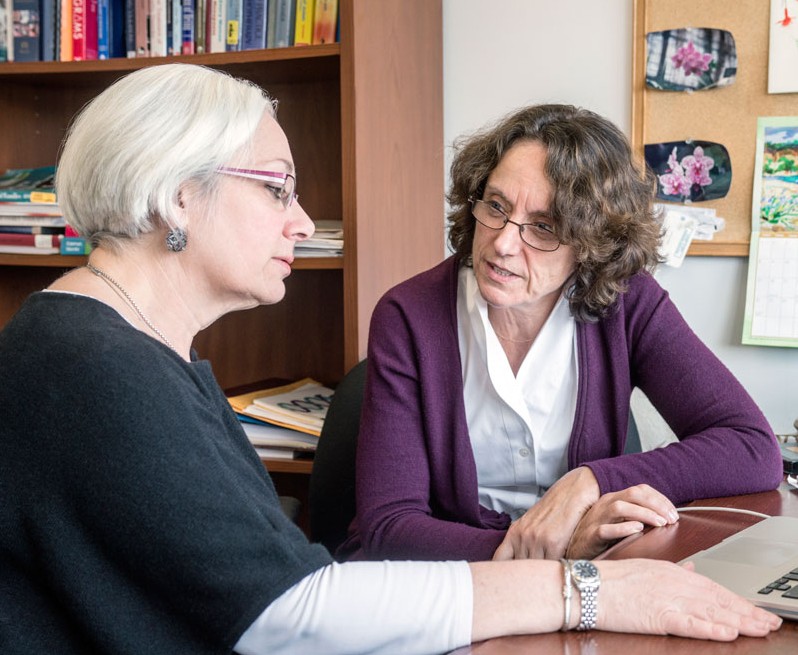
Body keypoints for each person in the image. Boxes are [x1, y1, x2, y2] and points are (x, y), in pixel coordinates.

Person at [0, 65, 781, 655]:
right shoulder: (95, 369)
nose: (304, 220)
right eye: (278, 189)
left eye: (544, 227)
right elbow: (291, 607)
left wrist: (587, 505)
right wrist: (584, 585)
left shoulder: (128, 352)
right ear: (177, 195)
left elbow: (270, 581)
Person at [339, 104, 783, 564]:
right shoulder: (409, 315)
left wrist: (590, 481)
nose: (504, 243)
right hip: (447, 580)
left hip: (581, 582)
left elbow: (751, 445)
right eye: (496, 206)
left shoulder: (627, 303)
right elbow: (389, 528)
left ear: (590, 245)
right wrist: (557, 550)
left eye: (544, 227)